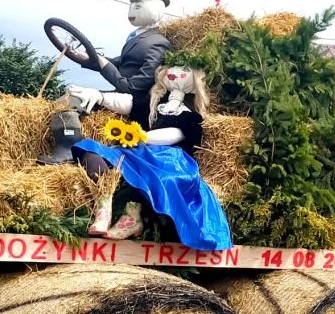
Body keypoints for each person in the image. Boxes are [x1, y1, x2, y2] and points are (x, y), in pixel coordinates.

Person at [69, 66, 233, 251]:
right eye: (172, 69)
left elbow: (178, 134)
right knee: (91, 148)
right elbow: (129, 103)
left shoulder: (191, 114)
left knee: (160, 177)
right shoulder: (153, 103)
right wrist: (100, 96)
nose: (174, 74)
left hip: (170, 158)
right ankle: (103, 208)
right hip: (136, 148)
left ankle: (132, 217)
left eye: (183, 70)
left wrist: (142, 136)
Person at [82, 0, 172, 101]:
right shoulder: (135, 37)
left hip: (135, 101)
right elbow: (121, 62)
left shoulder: (159, 43)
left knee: (81, 98)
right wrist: (89, 58)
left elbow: (135, 87)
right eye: (131, 7)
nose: (132, 11)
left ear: (154, 9)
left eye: (138, 7)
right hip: (120, 94)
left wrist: (105, 66)